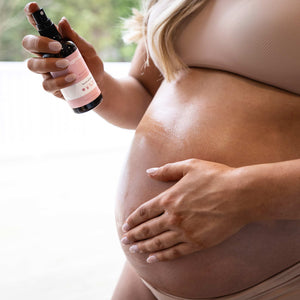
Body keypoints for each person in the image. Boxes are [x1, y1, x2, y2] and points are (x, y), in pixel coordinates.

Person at [22, 1, 300, 299]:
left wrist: (245, 194)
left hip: (277, 278)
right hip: (144, 272)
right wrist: (96, 81)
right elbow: (145, 94)